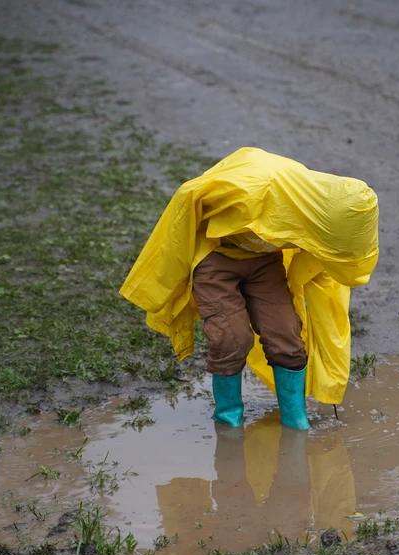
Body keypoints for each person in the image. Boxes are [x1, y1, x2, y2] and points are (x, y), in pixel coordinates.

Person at [120, 147, 379, 430]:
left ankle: (295, 418)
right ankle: (229, 418)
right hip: (215, 257)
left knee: (287, 338)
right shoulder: (254, 189)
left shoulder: (322, 220)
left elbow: (331, 271)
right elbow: (189, 195)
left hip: (264, 263)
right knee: (230, 338)